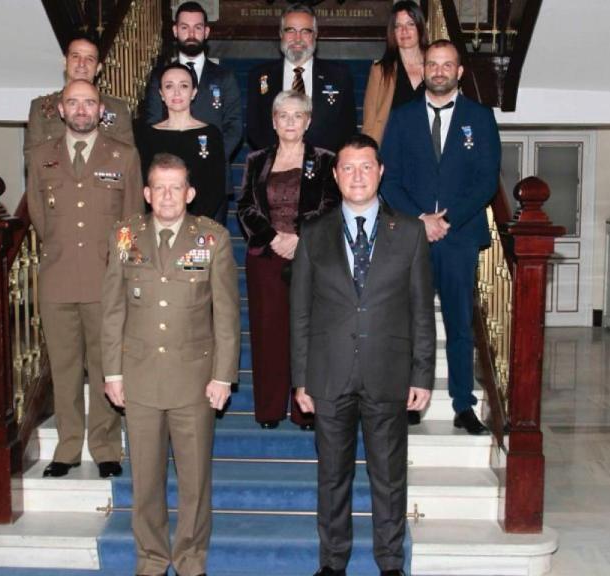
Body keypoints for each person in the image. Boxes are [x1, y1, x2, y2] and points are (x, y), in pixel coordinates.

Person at [291, 134, 435, 576]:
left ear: (380, 171)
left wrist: (423, 376)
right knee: (332, 477)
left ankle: (390, 563)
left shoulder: (409, 232)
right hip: (329, 376)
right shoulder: (313, 234)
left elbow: (420, 311)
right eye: (348, 168)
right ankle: (333, 563)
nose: (357, 176)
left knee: (388, 479)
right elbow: (300, 313)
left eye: (366, 167)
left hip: (388, 375)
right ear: (335, 176)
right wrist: (301, 379)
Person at [102, 153, 240, 576]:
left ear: (190, 193)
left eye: (175, 187)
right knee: (145, 479)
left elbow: (227, 314)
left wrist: (223, 376)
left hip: (194, 380)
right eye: (158, 187)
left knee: (194, 481)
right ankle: (151, 557)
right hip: (139, 376)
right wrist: (112, 372)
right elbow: (112, 308)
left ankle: (190, 557)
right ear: (146, 193)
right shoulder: (125, 235)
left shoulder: (211, 239)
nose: (166, 195)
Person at [379, 40, 501, 435]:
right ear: (425, 69)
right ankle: (410, 401)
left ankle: (463, 405)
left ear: (459, 72)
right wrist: (420, 220)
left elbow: (486, 180)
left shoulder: (480, 118)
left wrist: (447, 220)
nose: (439, 71)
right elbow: (389, 180)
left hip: (459, 236)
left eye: (447, 65)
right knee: (410, 323)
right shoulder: (401, 117)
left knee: (460, 324)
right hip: (412, 237)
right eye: (433, 64)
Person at [25, 79, 144, 478]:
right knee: (64, 367)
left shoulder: (123, 155)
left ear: (100, 110)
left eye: (88, 103)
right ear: (60, 109)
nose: (80, 110)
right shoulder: (42, 156)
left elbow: (130, 221)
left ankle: (106, 446)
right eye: (73, 103)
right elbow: (40, 217)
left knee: (106, 364)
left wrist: (122, 273)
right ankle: (68, 446)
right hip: (57, 278)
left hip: (104, 281)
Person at [237, 90, 339, 431]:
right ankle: (269, 410)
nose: (291, 121)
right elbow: (246, 207)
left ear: (308, 121)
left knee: (308, 332)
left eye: (298, 115)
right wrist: (274, 238)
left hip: (310, 257)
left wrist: (298, 238)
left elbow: (329, 205)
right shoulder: (256, 160)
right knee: (268, 333)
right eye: (284, 115)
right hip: (265, 257)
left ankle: (304, 410)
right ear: (273, 121)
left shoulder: (325, 160)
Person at [246, 4, 356, 153]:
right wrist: (280, 158)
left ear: (315, 35)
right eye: (290, 30)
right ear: (281, 34)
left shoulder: (339, 76)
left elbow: (348, 130)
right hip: (275, 167)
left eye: (305, 31)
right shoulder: (259, 76)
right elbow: (254, 129)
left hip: (324, 168)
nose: (297, 39)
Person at [137, 63, 226, 221]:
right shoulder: (146, 134)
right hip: (156, 222)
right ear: (161, 94)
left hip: (199, 223)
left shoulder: (211, 134)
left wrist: (193, 224)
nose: (176, 92)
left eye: (184, 86)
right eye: (169, 86)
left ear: (193, 93)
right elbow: (142, 182)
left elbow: (216, 186)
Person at [26, 34, 133, 152]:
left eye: (89, 59)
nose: (82, 63)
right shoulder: (41, 108)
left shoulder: (117, 108)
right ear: (65, 62)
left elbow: (126, 157)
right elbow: (32, 158)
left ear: (98, 68)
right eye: (76, 56)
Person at [362, 0, 427, 144]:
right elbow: (370, 121)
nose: (404, 31)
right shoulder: (380, 71)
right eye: (398, 26)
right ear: (392, 32)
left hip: (430, 149)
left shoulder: (435, 68)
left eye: (410, 24)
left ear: (420, 27)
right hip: (392, 149)